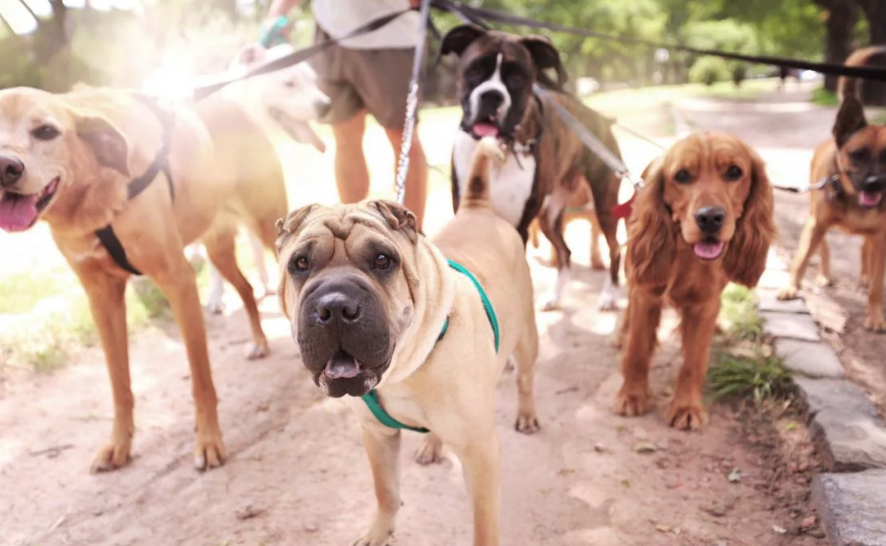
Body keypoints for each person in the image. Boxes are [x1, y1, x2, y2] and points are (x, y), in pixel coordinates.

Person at [260, 0, 429, 230]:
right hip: (331, 36)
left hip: (390, 37)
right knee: (345, 139)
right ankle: (352, 234)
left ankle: (412, 236)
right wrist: (277, 12)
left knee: (402, 140)